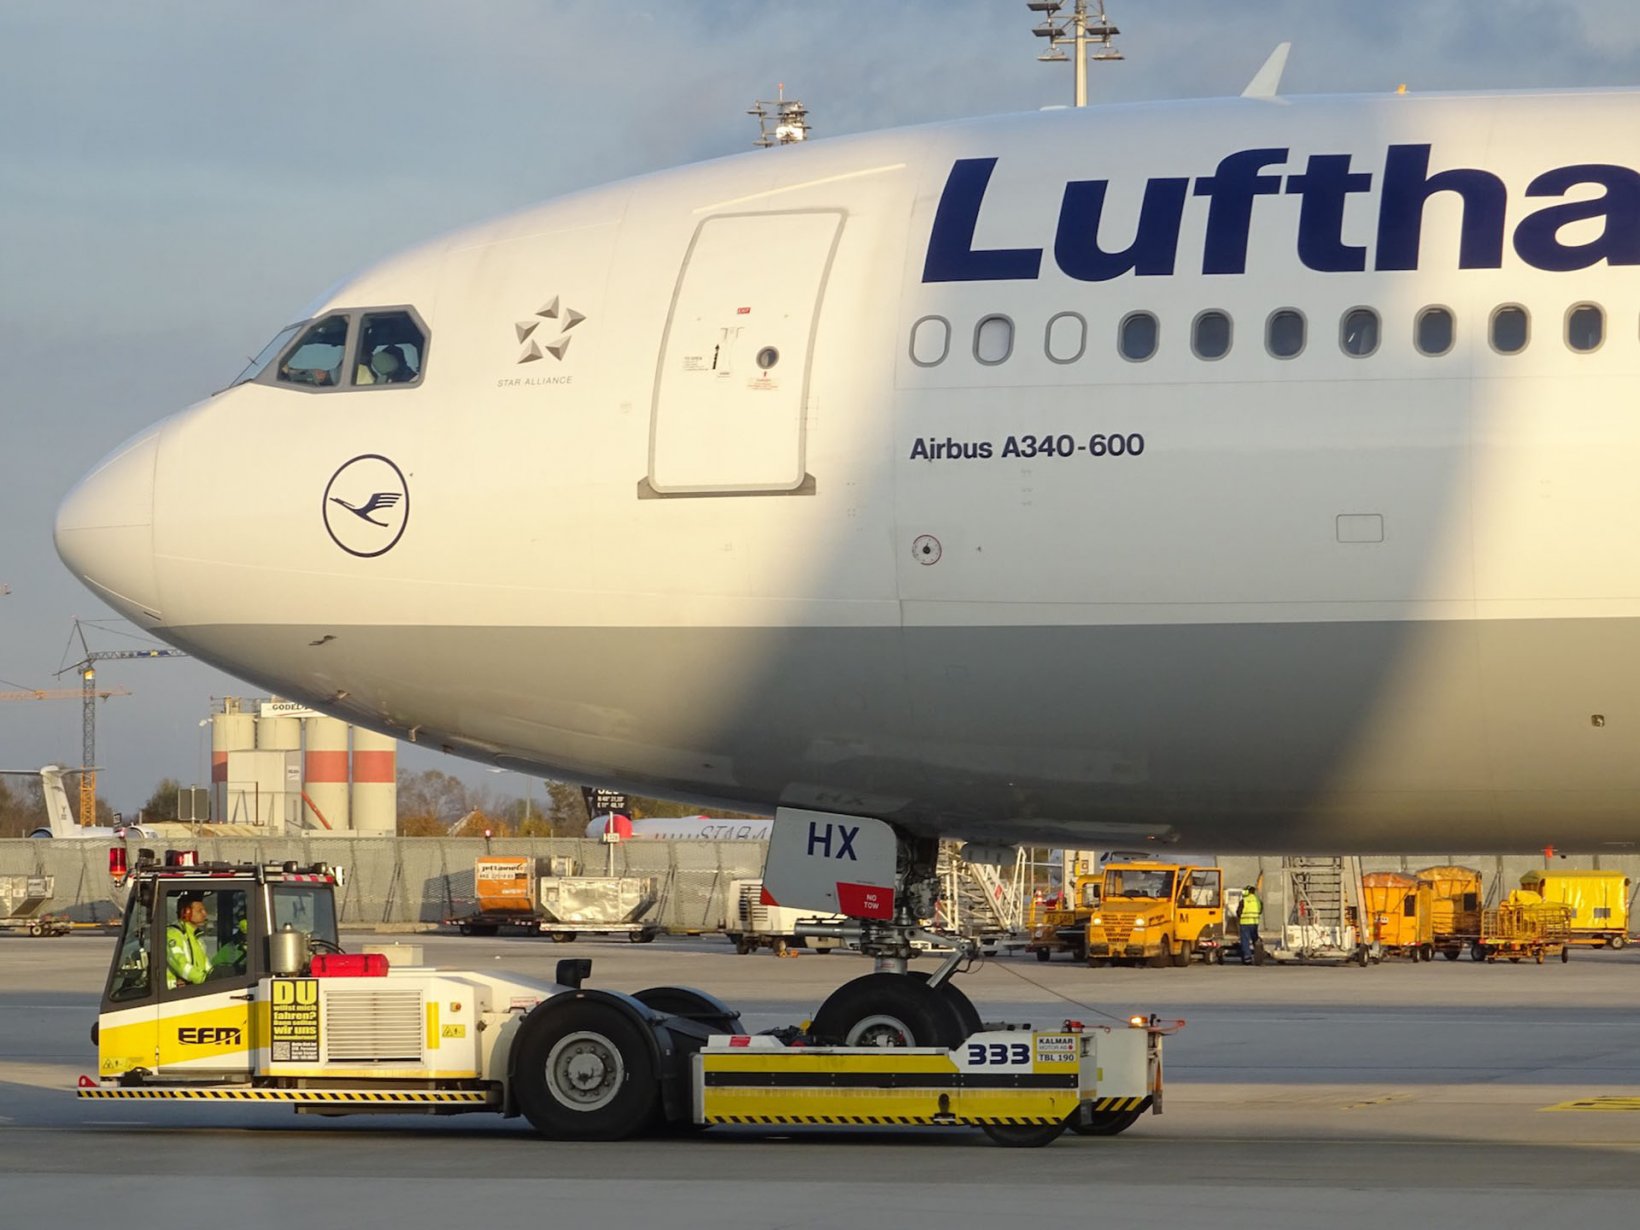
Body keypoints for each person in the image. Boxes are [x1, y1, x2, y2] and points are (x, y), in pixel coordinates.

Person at [166, 892, 211, 988]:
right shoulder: (172, 934)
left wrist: (214, 977)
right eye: (200, 911)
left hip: (194, 990)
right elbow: (180, 964)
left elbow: (206, 965)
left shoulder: (197, 939)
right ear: (186, 913)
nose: (205, 914)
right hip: (174, 993)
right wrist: (203, 979)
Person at [1238, 884, 1263, 965]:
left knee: (1245, 941)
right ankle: (1258, 955)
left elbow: (1239, 912)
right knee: (1255, 939)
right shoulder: (1257, 900)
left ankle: (1247, 958)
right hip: (1254, 923)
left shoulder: (1244, 900)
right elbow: (1260, 911)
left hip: (1245, 923)